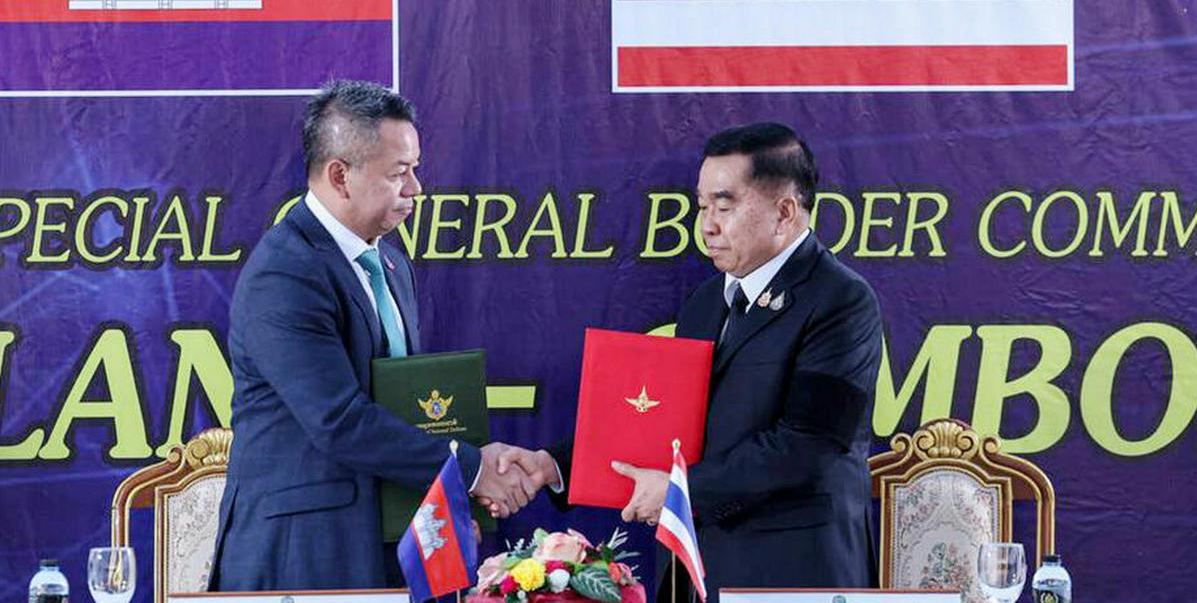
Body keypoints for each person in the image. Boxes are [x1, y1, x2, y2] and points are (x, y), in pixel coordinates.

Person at [500, 123, 882, 602]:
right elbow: (661, 423)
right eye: (702, 207)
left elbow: (809, 444)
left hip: (793, 571)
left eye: (724, 206)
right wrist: (554, 465)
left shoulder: (841, 300)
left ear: (784, 212)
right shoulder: (705, 303)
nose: (707, 226)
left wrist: (681, 490)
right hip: (696, 567)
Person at [209, 81, 536, 591]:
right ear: (340, 175)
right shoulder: (286, 271)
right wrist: (470, 471)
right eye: (399, 173)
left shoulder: (391, 264)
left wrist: (446, 503)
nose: (416, 189)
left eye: (415, 169)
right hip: (304, 558)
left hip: (382, 549)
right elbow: (339, 420)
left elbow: (401, 412)